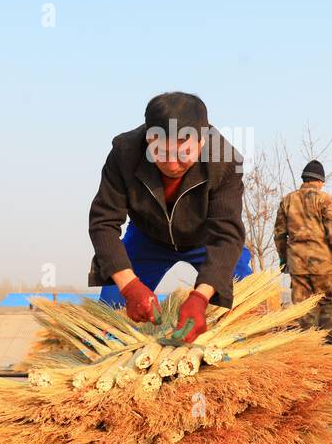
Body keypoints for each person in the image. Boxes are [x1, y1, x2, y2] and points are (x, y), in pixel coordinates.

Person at [88, 92, 250, 343]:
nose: (173, 165)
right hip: (147, 237)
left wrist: (199, 298)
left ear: (202, 141)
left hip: (208, 240)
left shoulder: (226, 160)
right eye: (161, 154)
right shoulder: (124, 153)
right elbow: (103, 223)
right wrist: (130, 286)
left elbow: (227, 235)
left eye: (183, 155)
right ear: (149, 138)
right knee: (108, 323)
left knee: (245, 312)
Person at [274, 160, 332, 342]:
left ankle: (309, 351)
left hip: (298, 265)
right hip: (322, 264)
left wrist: (283, 259)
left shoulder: (287, 200)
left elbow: (279, 234)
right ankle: (330, 349)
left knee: (304, 308)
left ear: (304, 179)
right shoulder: (324, 199)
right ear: (320, 181)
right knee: (331, 301)